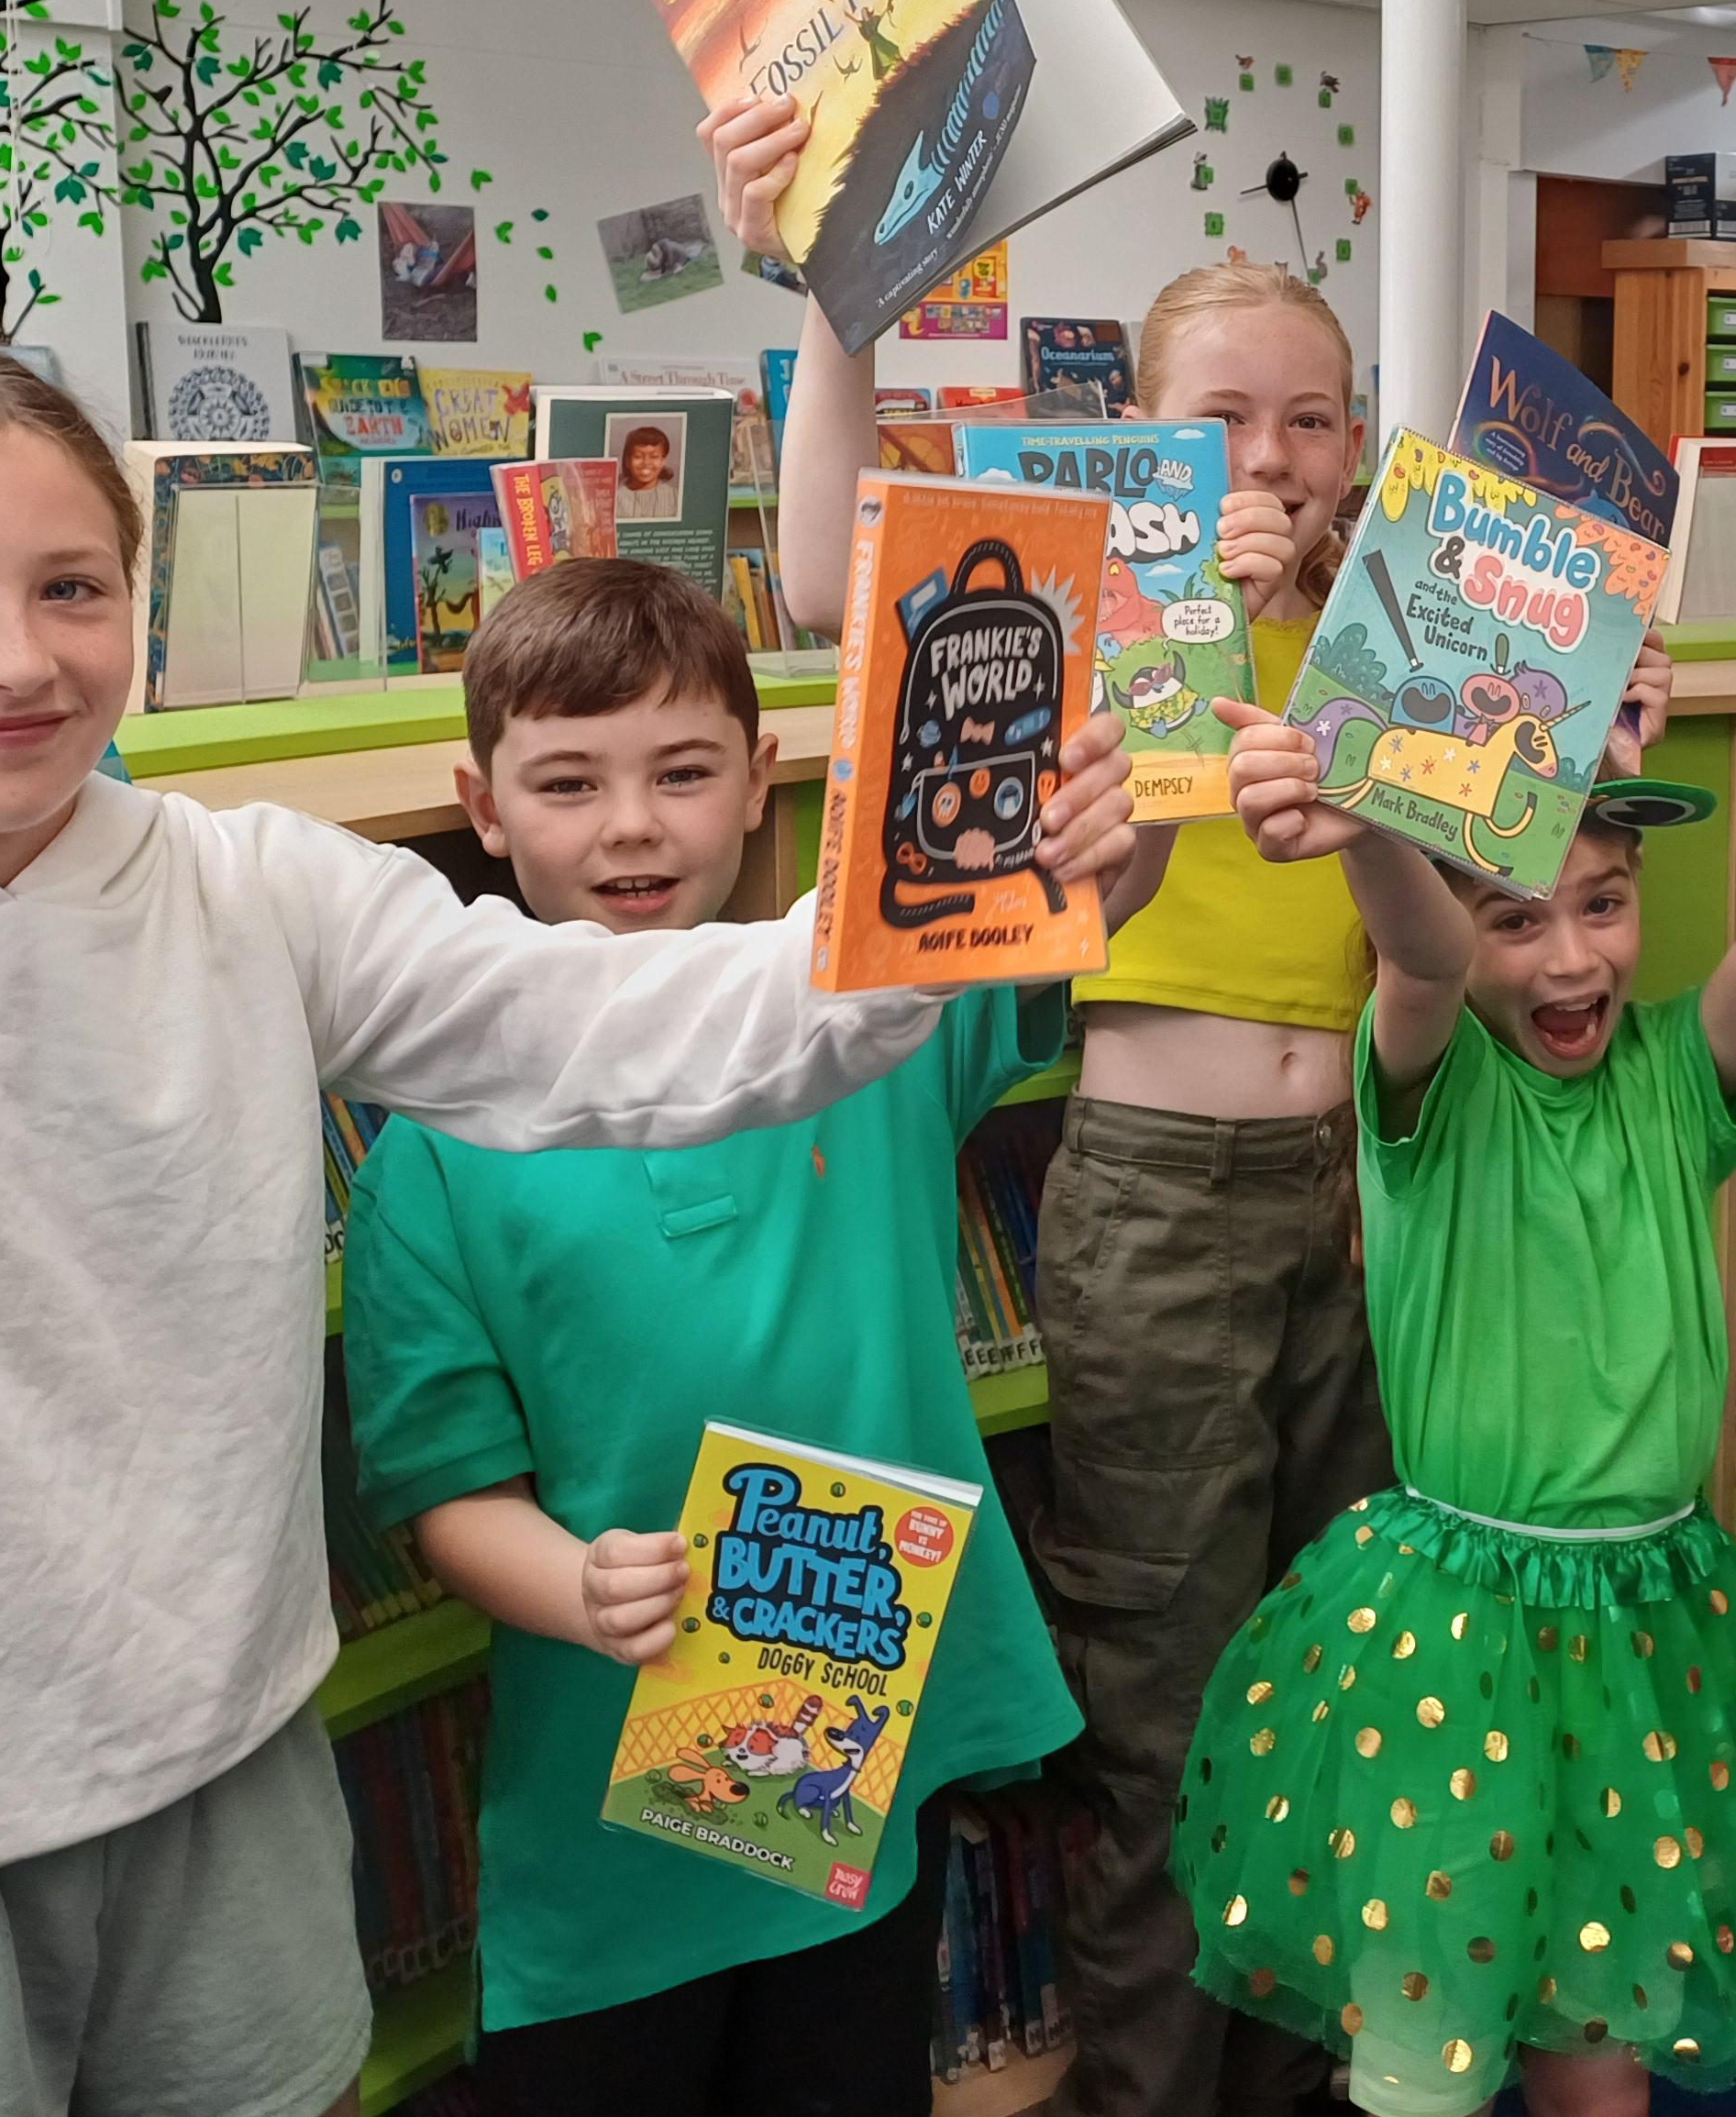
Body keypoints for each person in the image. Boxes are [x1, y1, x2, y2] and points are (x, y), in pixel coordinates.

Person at [0, 345, 1133, 2117]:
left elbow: (612, 1024)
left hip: (219, 1766)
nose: (16, 658)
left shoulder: (246, 884)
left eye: (73, 587)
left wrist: (956, 880)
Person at [713, 92, 1642, 2116]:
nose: (1274, 457)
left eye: (1310, 419)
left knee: (1340, 1694)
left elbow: (1495, 906)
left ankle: (1303, 2087)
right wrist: (832, 301)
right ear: (1136, 433)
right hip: (1155, 1192)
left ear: (1355, 440)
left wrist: (1551, 709)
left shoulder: (1403, 615)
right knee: (1165, 1709)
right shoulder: (1095, 587)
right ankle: (1144, 2094)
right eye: (1223, 418)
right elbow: (822, 577)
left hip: (1378, 1191)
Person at [1175, 695, 1736, 2116]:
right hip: (1454, 1639)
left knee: (1600, 2059)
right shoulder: (1433, 1077)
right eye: (1517, 918)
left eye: (1602, 904)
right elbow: (1421, 957)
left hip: (1646, 1630)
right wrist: (1366, 829)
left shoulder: (1678, 1069)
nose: (1571, 956)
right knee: (1424, 2064)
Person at [341, 559, 1144, 2112]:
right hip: (602, 1814)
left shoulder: (865, 1022)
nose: (632, 827)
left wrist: (1113, 824)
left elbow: (1072, 911)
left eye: (683, 772)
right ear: (482, 805)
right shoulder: (433, 1156)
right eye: (568, 783)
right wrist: (575, 1587)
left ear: (762, 777)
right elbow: (447, 1490)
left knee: (847, 2069)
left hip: (855, 1767)